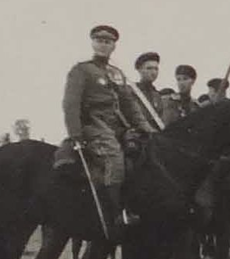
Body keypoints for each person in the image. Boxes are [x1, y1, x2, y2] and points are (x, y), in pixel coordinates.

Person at [54, 24, 155, 234]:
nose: (103, 45)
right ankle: (115, 213)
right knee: (114, 157)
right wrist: (76, 135)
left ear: (114, 46)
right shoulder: (81, 70)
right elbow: (70, 104)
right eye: (99, 40)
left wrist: (146, 129)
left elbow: (129, 105)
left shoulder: (116, 73)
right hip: (93, 126)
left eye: (108, 42)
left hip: (118, 127)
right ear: (92, 43)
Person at [131, 51, 165, 130]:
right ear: (139, 70)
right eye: (149, 68)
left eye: (156, 69)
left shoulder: (157, 95)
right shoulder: (132, 91)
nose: (153, 72)